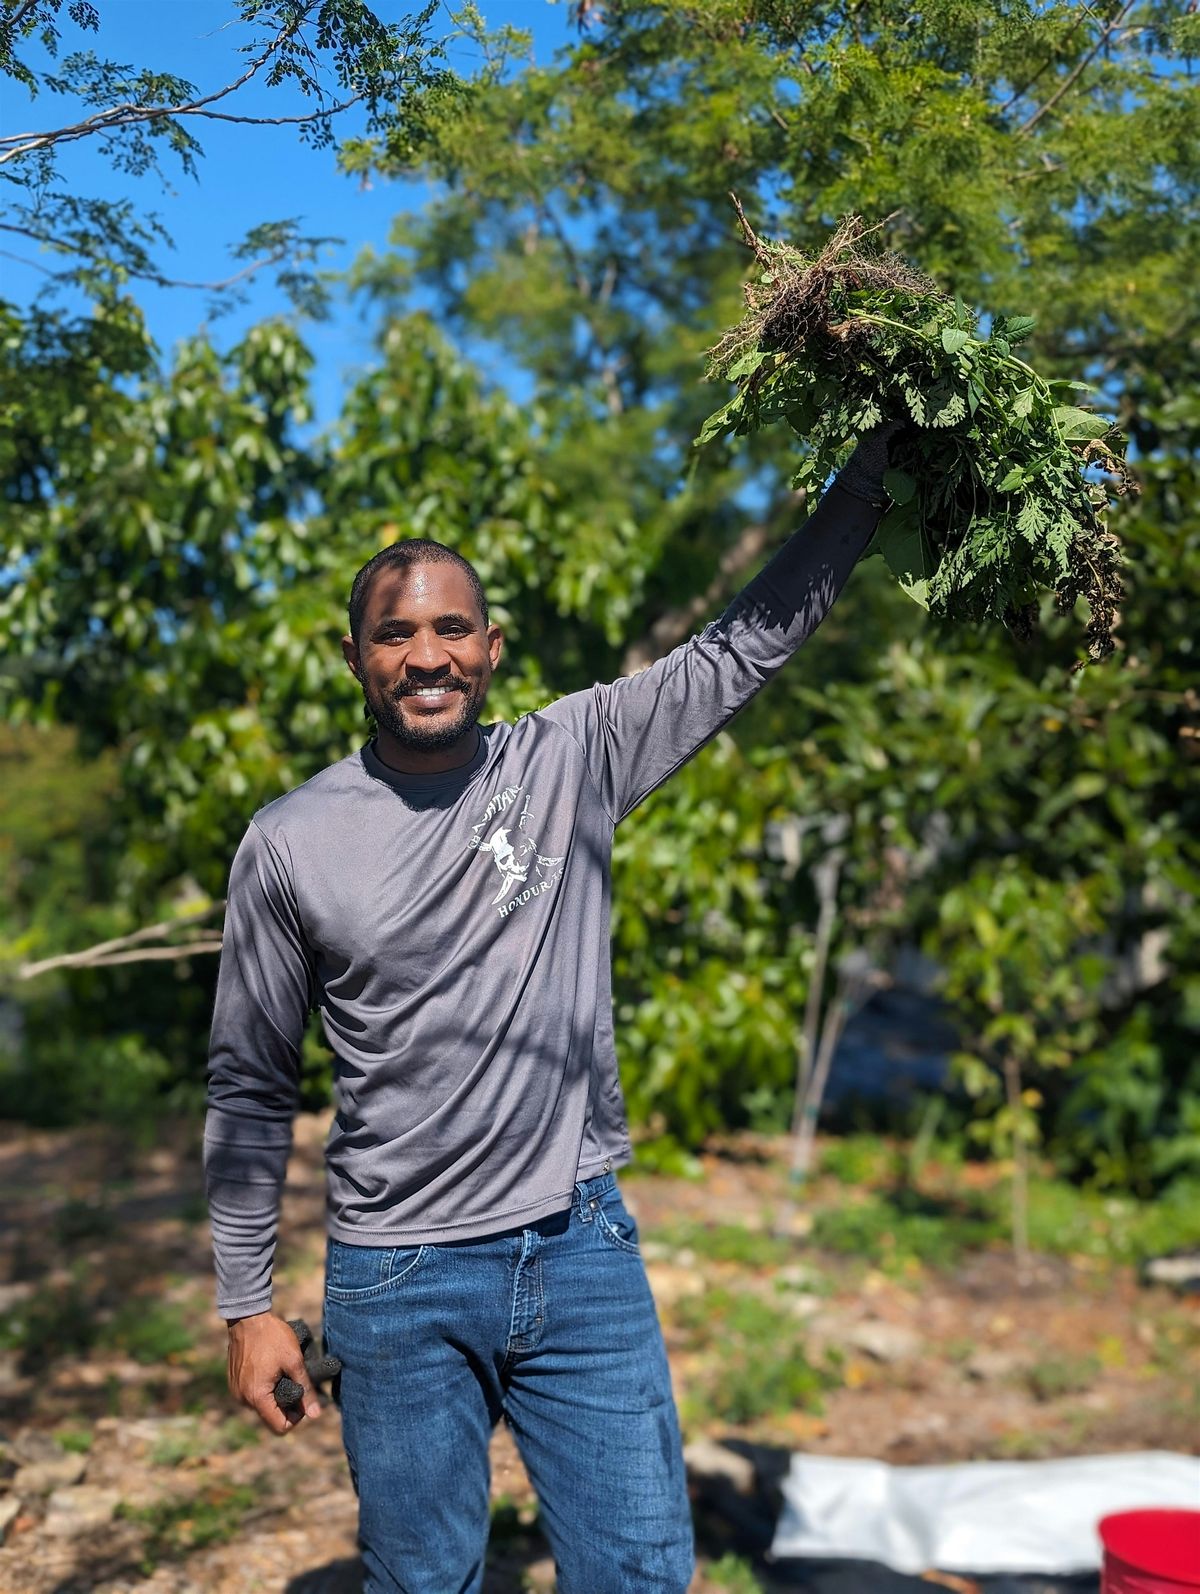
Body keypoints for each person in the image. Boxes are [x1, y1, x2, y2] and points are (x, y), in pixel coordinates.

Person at [205, 425, 899, 1593]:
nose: (427, 654)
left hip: (579, 1251)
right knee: (424, 1579)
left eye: (451, 628)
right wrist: (245, 1303)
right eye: (397, 633)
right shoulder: (289, 841)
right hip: (396, 1273)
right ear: (355, 657)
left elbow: (744, 648)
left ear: (491, 646)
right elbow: (250, 1081)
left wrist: (871, 482)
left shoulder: (572, 757)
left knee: (638, 1569)